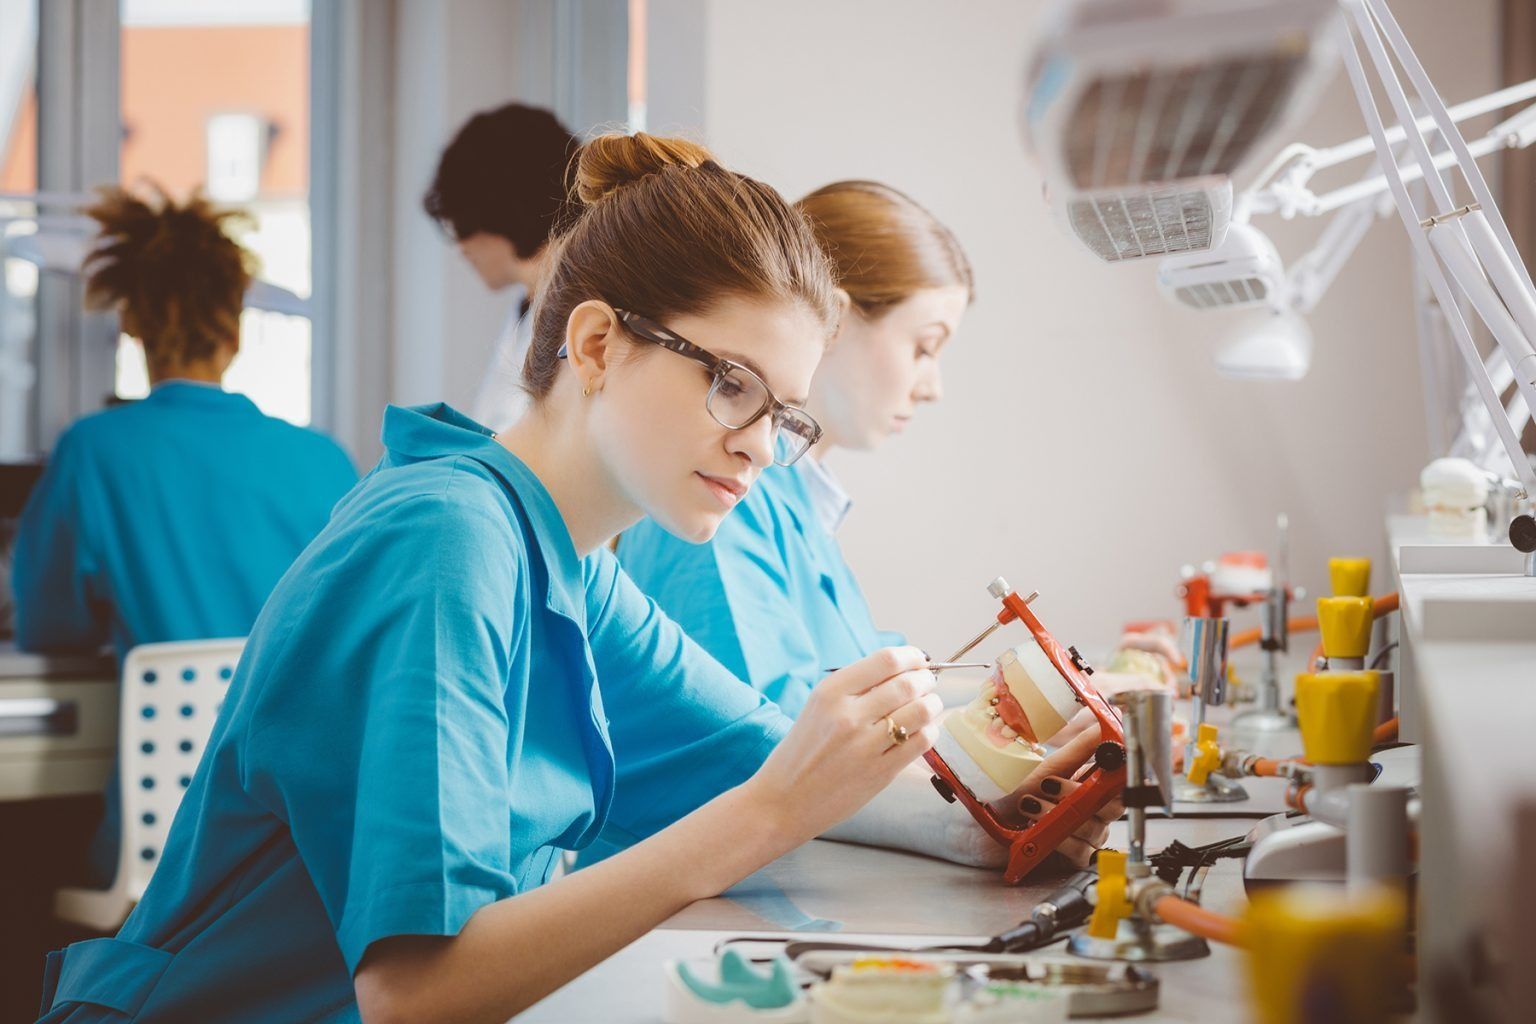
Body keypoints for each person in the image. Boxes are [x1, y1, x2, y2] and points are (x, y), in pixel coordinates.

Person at [11, 185, 358, 885]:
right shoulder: (324, 459)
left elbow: (51, 628)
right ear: (234, 327)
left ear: (133, 325)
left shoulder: (97, 451)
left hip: (170, 848)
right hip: (311, 840)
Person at [422, 102, 579, 432]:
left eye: (460, 225)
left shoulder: (579, 314)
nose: (460, 248)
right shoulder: (529, 306)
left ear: (499, 210)